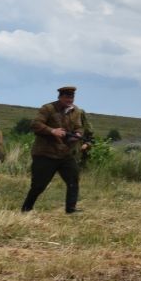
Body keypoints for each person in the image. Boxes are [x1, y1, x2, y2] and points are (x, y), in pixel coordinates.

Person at [21, 86, 87, 214]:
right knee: (39, 185)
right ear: (60, 97)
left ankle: (71, 209)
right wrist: (52, 131)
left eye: (72, 97)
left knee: (73, 180)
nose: (70, 100)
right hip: (45, 153)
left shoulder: (76, 111)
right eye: (67, 97)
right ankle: (26, 209)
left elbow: (79, 127)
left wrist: (78, 135)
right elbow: (35, 125)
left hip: (65, 153)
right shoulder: (48, 109)